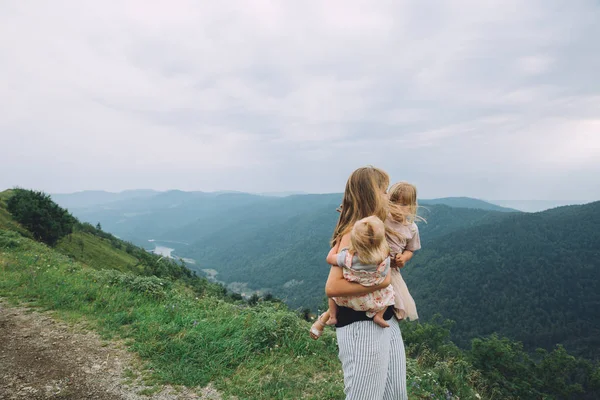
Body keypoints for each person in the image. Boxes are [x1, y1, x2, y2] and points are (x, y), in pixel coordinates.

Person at [324, 166, 408, 400]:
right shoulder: (355, 233)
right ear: (372, 194)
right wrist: (381, 284)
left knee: (395, 395)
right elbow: (333, 287)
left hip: (382, 318)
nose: (387, 196)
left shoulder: (373, 229)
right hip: (361, 324)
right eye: (383, 190)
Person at [310, 216, 394, 339]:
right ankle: (379, 316)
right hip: (373, 301)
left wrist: (337, 245)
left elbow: (329, 259)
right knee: (390, 295)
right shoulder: (382, 259)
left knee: (333, 297)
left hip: (348, 299)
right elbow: (385, 274)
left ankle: (332, 316)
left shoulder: (348, 258)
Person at [386, 181, 422, 321]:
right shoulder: (382, 218)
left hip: (392, 268)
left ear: (412, 207)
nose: (397, 207)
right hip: (376, 264)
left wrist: (404, 258)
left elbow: (410, 249)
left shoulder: (411, 228)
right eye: (394, 201)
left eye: (404, 204)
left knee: (399, 306)